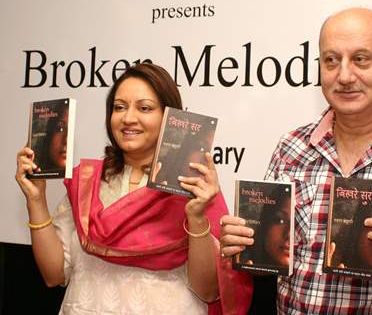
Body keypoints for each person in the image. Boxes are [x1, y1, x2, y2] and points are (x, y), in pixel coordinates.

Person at [220, 7, 372, 313]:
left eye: (361, 59)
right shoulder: (290, 149)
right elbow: (266, 267)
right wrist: (245, 247)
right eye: (331, 60)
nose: (344, 76)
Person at [16, 63, 252, 314]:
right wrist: (36, 199)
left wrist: (195, 218)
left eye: (144, 108)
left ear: (170, 117)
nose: (128, 118)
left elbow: (208, 291)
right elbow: (54, 275)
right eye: (119, 107)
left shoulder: (193, 186)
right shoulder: (88, 181)